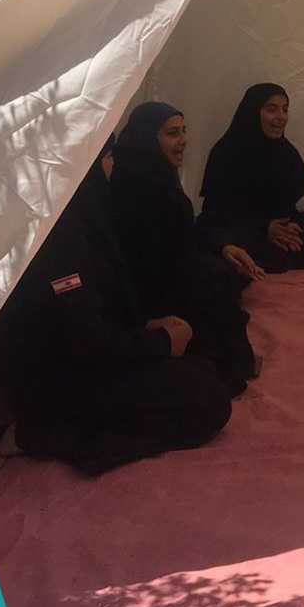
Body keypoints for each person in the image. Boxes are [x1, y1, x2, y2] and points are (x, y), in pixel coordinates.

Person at [0, 134, 233, 476]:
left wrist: (145, 328)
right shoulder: (57, 236)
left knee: (203, 369)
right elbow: (84, 341)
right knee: (208, 402)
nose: (113, 165)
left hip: (86, 356)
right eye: (106, 157)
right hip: (56, 378)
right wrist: (160, 343)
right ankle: (38, 434)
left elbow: (101, 302)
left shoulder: (84, 217)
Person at [110, 102, 262, 391]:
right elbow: (149, 260)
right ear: (146, 138)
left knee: (227, 271)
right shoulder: (134, 190)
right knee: (218, 283)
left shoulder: (157, 175)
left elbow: (182, 235)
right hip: (146, 291)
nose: (183, 140)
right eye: (172, 133)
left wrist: (222, 247)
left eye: (184, 131)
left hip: (171, 270)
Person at [198, 83, 304, 274]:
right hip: (240, 228)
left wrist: (286, 227)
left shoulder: (284, 151)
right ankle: (297, 258)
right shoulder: (226, 151)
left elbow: (286, 205)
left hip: (277, 228)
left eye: (285, 110)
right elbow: (218, 212)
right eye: (272, 109)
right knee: (221, 238)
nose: (281, 117)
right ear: (253, 112)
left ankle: (288, 257)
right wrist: (265, 228)